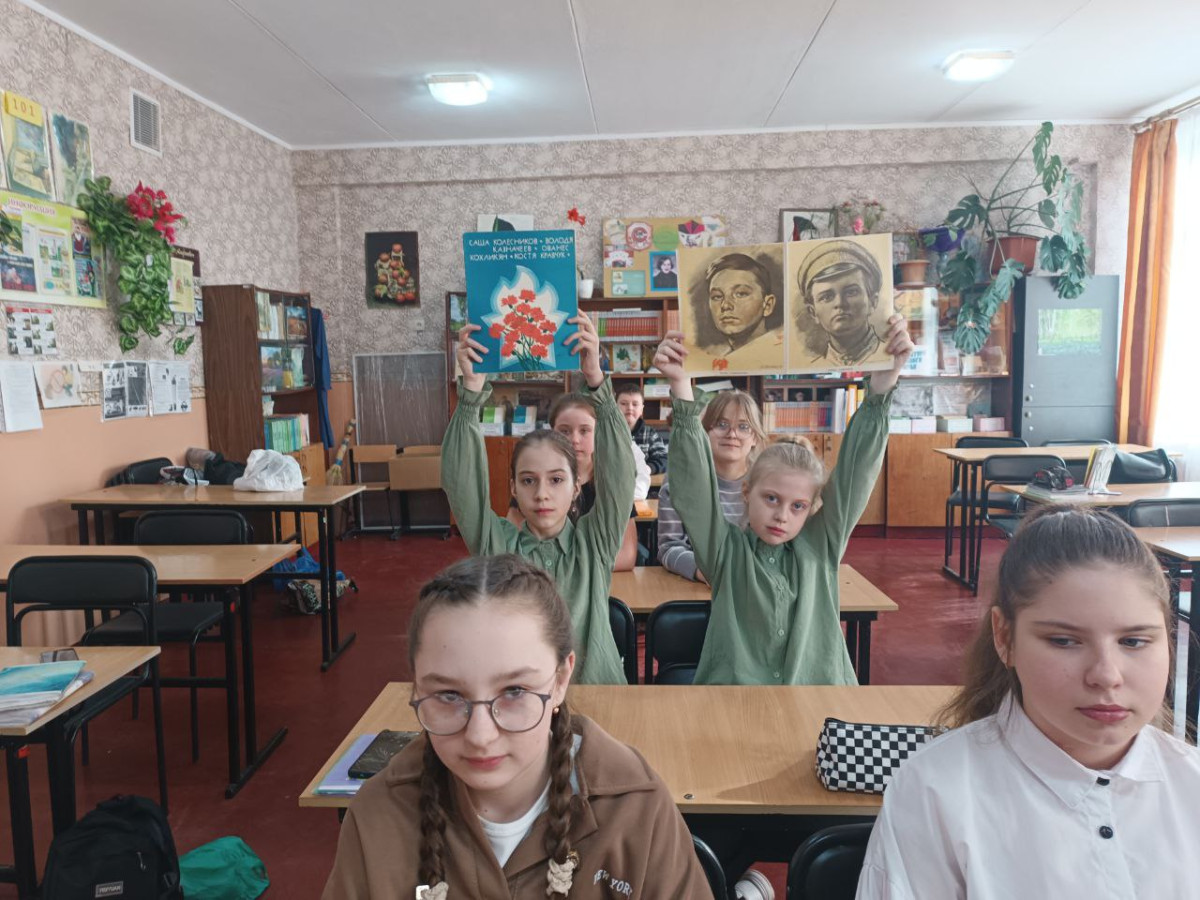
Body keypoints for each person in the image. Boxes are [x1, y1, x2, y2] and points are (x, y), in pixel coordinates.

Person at [857, 506, 1200, 899]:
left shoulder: (1191, 783)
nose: (1107, 675)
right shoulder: (935, 791)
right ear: (1004, 638)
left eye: (1134, 641)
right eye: (1064, 641)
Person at [322, 555, 713, 899]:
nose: (480, 736)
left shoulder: (638, 810)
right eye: (448, 695)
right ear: (416, 686)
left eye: (514, 691)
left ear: (560, 680)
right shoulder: (377, 817)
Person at [653, 314, 911, 685]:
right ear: (747, 493)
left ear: (812, 507)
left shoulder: (820, 545)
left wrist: (882, 388)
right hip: (738, 702)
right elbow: (693, 487)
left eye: (798, 506)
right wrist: (680, 386)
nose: (782, 516)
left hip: (817, 701)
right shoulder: (725, 551)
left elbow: (856, 475)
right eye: (771, 499)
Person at [442, 315, 635, 684]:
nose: (542, 493)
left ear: (576, 487)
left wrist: (596, 380)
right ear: (513, 489)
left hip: (594, 692)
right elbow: (461, 483)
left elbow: (621, 475)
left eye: (557, 480)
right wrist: (470, 393)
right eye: (528, 480)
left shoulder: (594, 543)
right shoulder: (498, 546)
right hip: (523, 698)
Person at [656, 389, 766, 583]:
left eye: (743, 427)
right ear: (705, 431)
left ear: (755, 438)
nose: (732, 434)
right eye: (722, 424)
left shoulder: (767, 485)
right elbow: (669, 548)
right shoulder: (678, 482)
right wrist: (705, 571)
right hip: (699, 587)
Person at [796, 239, 885, 368]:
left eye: (851, 292)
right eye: (826, 297)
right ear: (813, 312)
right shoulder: (810, 368)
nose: (840, 303)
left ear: (872, 301)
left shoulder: (888, 358)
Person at [693, 252, 784, 370]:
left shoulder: (780, 356)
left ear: (767, 305)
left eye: (741, 293)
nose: (726, 305)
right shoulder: (715, 361)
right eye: (717, 296)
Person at [615, 383, 668, 475]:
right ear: (615, 407)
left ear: (641, 409)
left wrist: (647, 469)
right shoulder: (607, 432)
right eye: (624, 404)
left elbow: (663, 459)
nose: (630, 408)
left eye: (635, 404)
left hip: (641, 480)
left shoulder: (650, 434)